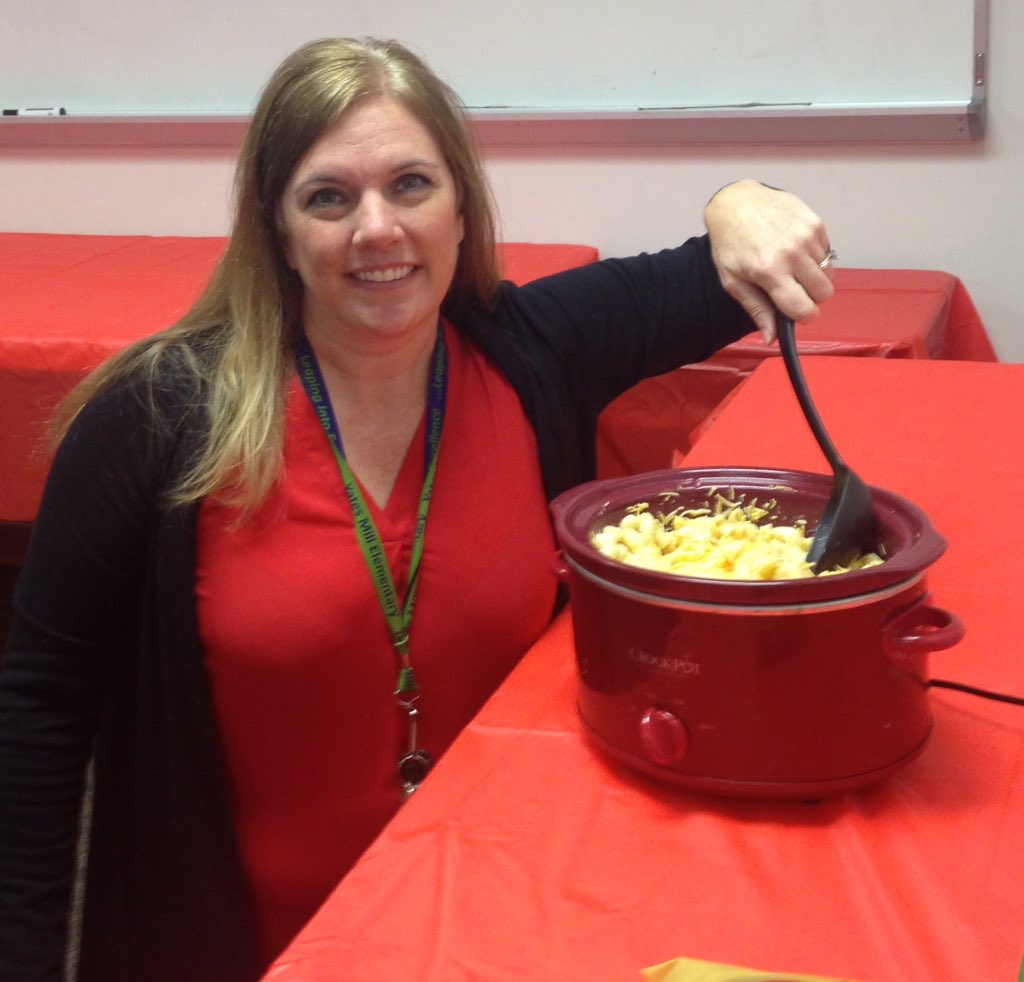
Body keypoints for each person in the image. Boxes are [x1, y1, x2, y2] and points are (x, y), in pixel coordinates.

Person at [0, 36, 835, 982]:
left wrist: (740, 198)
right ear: (276, 229)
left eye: (410, 185)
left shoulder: (531, 351)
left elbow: (734, 265)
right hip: (251, 951)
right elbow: (36, 714)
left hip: (502, 928)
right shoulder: (156, 417)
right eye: (329, 197)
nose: (378, 230)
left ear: (462, 208)